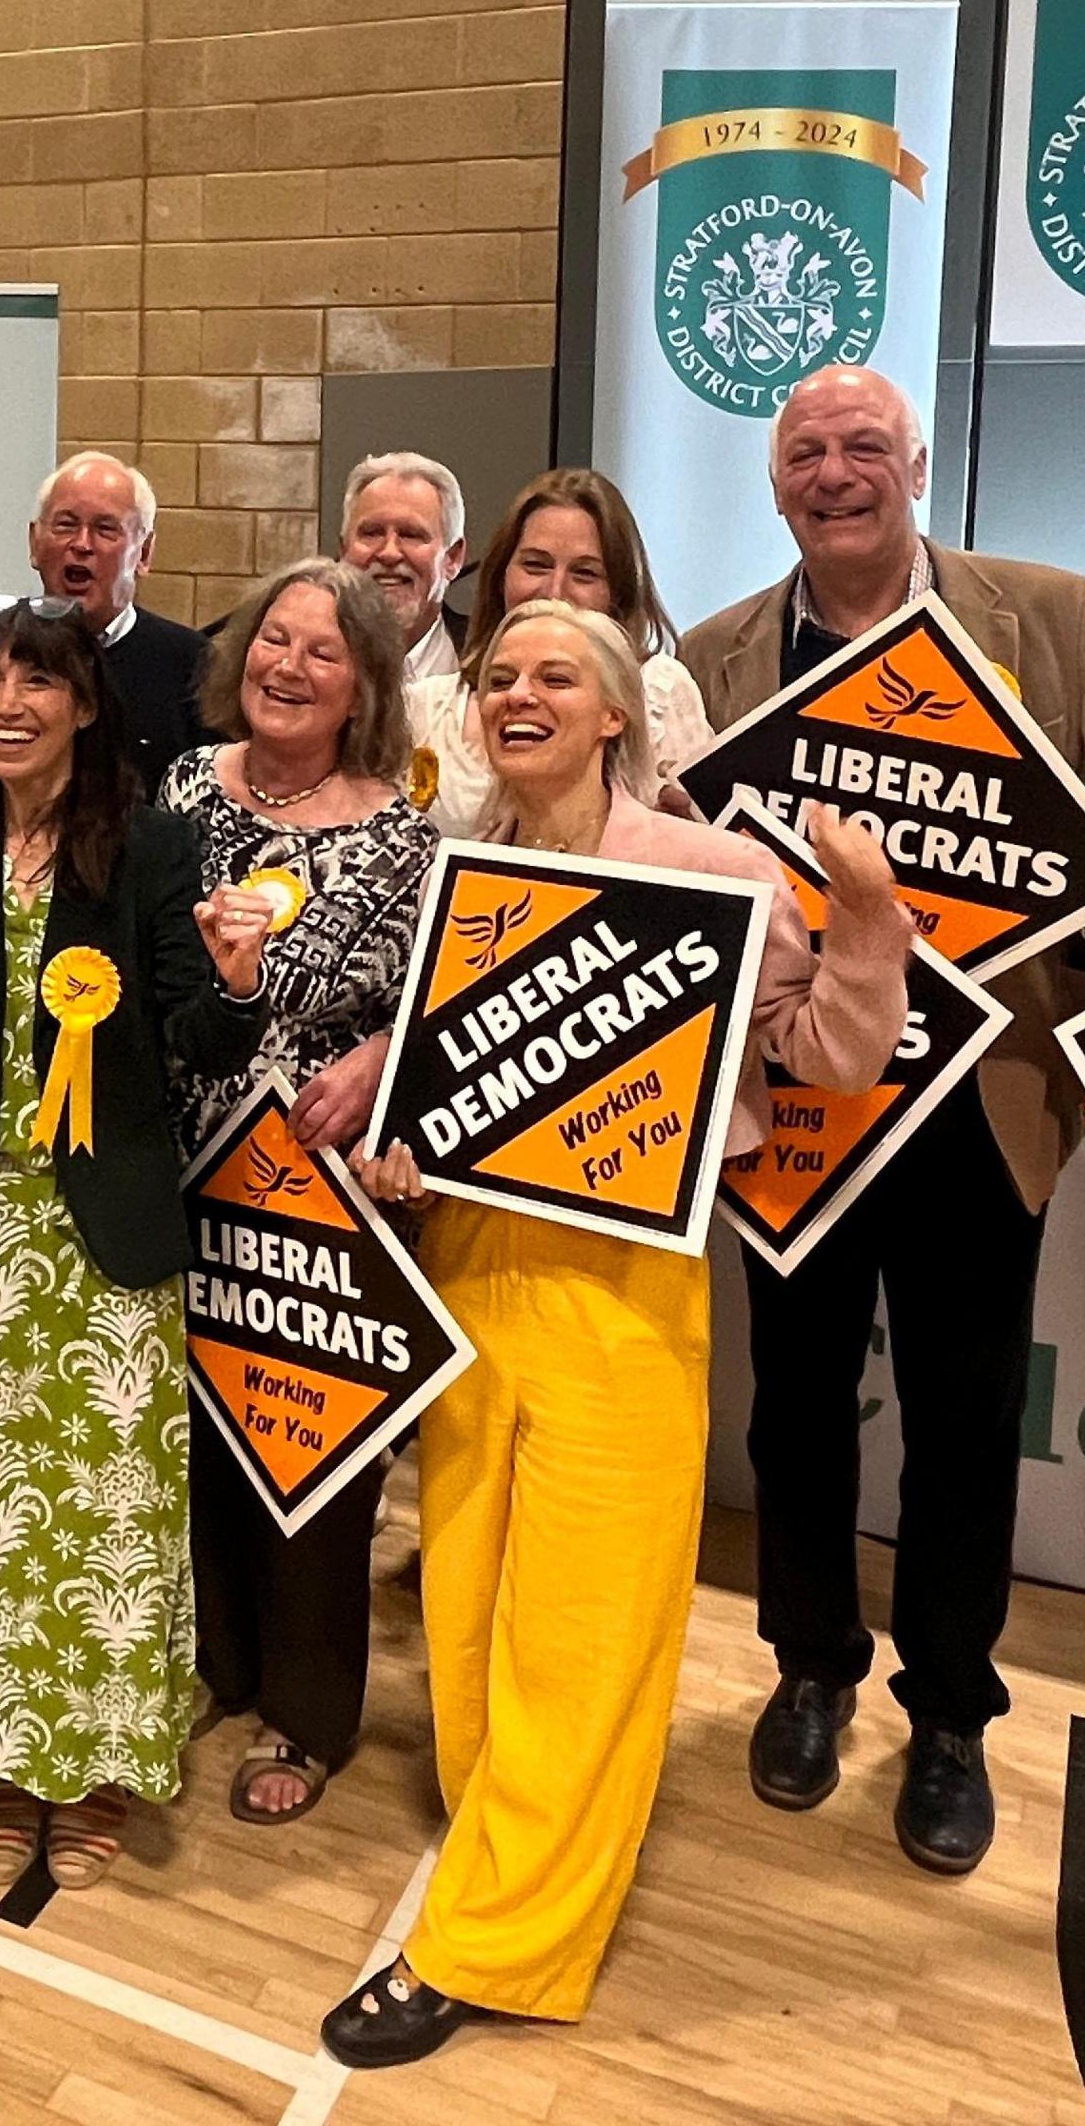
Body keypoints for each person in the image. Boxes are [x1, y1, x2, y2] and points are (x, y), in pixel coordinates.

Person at [318, 600, 910, 2067]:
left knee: (582, 1614)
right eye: (502, 676)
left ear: (614, 719)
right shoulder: (463, 871)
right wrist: (399, 1140)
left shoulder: (715, 870)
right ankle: (506, 1822)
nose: (522, 695)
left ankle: (496, 1943)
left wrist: (870, 921)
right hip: (470, 1261)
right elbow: (446, 1084)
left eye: (557, 678)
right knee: (466, 1582)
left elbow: (834, 1054)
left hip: (626, 1284)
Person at [680, 364, 1085, 1876]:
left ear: (918, 464)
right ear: (776, 487)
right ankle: (809, 1667)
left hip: (984, 1094)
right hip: (805, 1094)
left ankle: (950, 1712)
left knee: (964, 1421)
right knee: (798, 1400)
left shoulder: (1045, 608)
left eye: (864, 448)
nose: (837, 473)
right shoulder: (715, 655)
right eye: (808, 453)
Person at [0, 608, 274, 1890]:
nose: (9, 699)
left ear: (87, 707)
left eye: (40, 678)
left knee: (101, 1526)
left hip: (100, 1242)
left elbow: (198, 1049)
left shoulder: (151, 847)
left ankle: (91, 1765)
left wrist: (238, 981)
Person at [155, 557, 438, 1826]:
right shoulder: (177, 791)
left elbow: (446, 1002)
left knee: (315, 1449)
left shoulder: (409, 832)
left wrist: (378, 1066)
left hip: (327, 1181)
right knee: (203, 1434)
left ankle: (310, 1713)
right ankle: (218, 1662)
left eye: (324, 652)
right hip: (179, 1163)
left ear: (365, 682)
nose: (289, 666)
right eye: (274, 639)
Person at [405, 468, 715, 835]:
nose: (554, 590)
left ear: (618, 593)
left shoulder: (660, 690)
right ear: (501, 574)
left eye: (584, 573)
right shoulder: (427, 705)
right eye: (535, 565)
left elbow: (702, 836)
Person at [26, 449, 212, 777]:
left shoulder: (194, 665)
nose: (82, 544)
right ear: (34, 543)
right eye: (66, 524)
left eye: (105, 529)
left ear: (144, 552)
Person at [337, 451, 472, 680]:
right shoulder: (309, 661)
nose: (389, 553)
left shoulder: (487, 660)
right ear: (343, 551)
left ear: (453, 558)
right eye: (372, 533)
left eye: (411, 535)